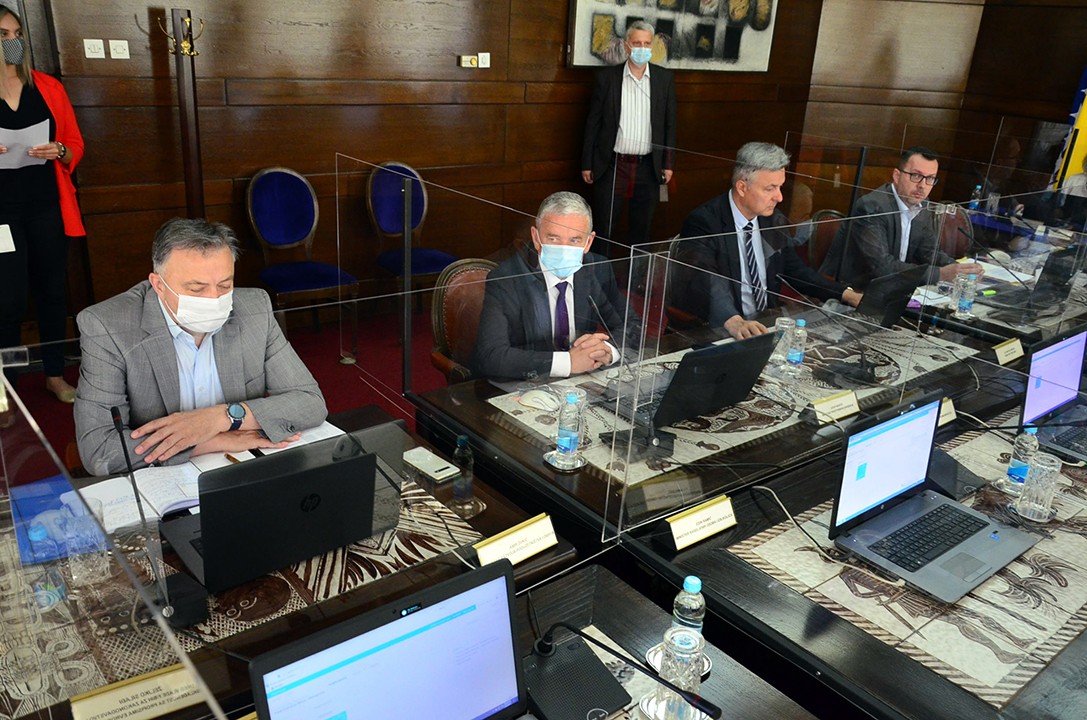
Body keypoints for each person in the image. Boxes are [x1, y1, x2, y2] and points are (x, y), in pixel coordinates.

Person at [74, 218, 327, 476]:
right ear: (159, 285)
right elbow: (99, 451)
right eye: (197, 288)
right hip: (163, 477)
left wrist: (220, 418)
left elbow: (310, 402)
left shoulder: (254, 308)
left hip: (242, 467)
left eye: (225, 285)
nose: (214, 299)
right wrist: (207, 439)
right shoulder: (107, 326)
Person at [673, 142, 863, 340]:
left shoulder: (772, 220)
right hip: (723, 329)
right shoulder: (704, 222)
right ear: (742, 187)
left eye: (780, 187)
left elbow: (795, 270)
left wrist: (845, 294)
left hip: (766, 322)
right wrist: (733, 320)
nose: (779, 197)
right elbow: (705, 278)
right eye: (770, 188)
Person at [0, 5, 84, 404]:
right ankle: (7, 388)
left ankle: (54, 374)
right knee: (8, 300)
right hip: (2, 216)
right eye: (3, 35)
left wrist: (60, 150)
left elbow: (75, 144)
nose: (13, 42)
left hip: (47, 205)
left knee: (52, 292)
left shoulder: (47, 87)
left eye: (17, 34)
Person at [472, 191, 641, 380]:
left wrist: (607, 350)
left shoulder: (597, 269)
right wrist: (568, 363)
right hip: (528, 382)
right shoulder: (506, 278)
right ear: (536, 238)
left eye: (574, 240)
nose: (564, 249)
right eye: (553, 239)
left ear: (588, 242)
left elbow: (632, 325)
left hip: (582, 381)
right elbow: (490, 356)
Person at [820, 146, 983, 288]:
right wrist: (940, 274)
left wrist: (960, 270)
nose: (922, 185)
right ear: (897, 176)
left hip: (891, 288)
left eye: (930, 178)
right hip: (850, 290)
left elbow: (928, 252)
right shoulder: (871, 207)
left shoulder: (922, 204)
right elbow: (882, 266)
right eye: (916, 175)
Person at [581, 21, 676, 252]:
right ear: (626, 46)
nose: (642, 48)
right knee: (605, 226)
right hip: (613, 164)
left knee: (641, 229)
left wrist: (668, 164)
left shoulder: (664, 79)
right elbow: (593, 123)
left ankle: (637, 274)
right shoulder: (607, 78)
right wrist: (587, 163)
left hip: (648, 166)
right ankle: (601, 273)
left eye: (646, 43)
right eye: (637, 43)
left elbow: (669, 124)